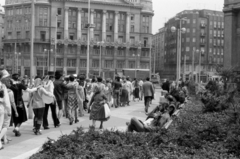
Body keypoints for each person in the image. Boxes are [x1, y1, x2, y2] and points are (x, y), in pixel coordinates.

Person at [0, 70, 11, 150]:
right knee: (3, 126)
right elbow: (6, 101)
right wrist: (9, 110)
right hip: (1, 107)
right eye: (6, 77)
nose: (8, 79)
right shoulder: (2, 86)